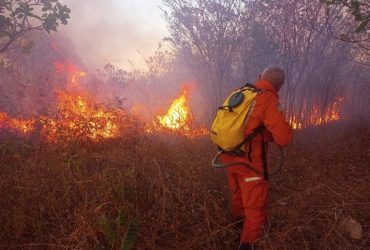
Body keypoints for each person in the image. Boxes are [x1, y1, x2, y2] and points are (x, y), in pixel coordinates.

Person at [220, 66, 293, 250]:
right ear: (280, 85)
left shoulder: (240, 92)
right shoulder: (268, 98)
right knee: (255, 208)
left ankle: (235, 229)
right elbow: (284, 138)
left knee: (238, 196)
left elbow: (247, 126)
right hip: (249, 163)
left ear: (260, 76)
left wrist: (263, 134)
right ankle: (247, 244)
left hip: (229, 156)